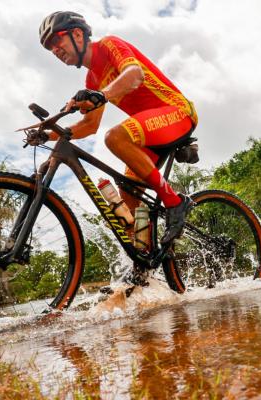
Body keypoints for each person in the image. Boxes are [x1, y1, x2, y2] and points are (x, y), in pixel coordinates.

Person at [38, 11, 197, 249]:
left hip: (176, 112)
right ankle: (144, 266)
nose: (54, 50)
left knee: (115, 137)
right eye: (49, 48)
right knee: (128, 200)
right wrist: (48, 135)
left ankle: (174, 203)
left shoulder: (109, 45)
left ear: (78, 34)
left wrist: (102, 95)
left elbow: (135, 74)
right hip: (147, 134)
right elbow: (89, 126)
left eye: (56, 41)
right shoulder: (92, 80)